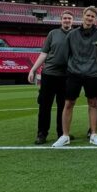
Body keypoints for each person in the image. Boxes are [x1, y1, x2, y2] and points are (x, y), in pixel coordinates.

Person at [53, 6, 97, 147]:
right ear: (83, 16)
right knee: (69, 103)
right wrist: (73, 67)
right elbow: (66, 54)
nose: (90, 18)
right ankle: (65, 136)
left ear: (95, 19)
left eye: (92, 16)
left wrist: (93, 66)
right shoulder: (72, 34)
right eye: (88, 15)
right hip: (74, 73)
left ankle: (93, 134)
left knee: (93, 103)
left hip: (93, 73)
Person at [28, 10, 73, 144]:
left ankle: (62, 133)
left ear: (72, 21)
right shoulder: (53, 33)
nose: (67, 20)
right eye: (65, 18)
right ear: (61, 20)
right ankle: (42, 133)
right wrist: (33, 69)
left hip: (66, 76)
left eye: (69, 18)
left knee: (63, 106)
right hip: (49, 74)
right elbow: (44, 53)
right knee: (44, 106)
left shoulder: (76, 34)